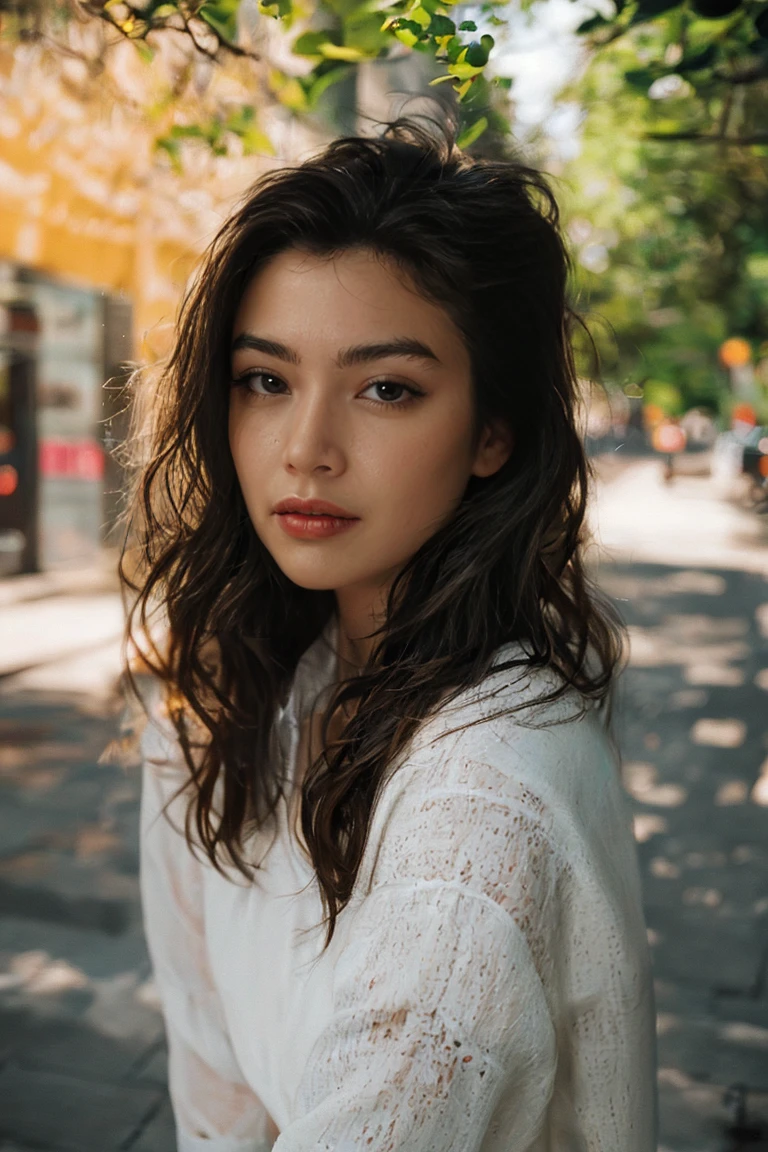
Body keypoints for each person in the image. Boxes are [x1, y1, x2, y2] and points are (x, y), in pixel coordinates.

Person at [122, 111, 658, 1152]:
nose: (307, 449)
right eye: (265, 380)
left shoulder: (486, 798)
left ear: (492, 431)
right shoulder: (219, 710)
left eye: (386, 389)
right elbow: (216, 1102)